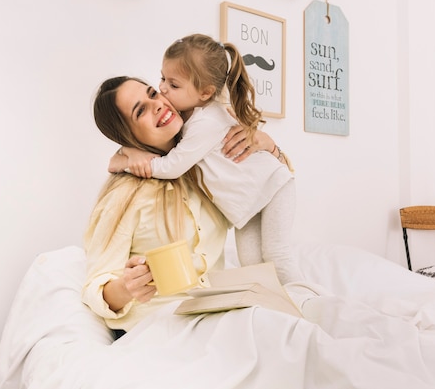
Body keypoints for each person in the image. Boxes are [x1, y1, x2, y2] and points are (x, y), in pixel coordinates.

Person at [82, 75, 284, 331]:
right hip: (159, 327)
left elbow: (272, 188)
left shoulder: (207, 169)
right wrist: (126, 286)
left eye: (153, 94)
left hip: (214, 315)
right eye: (140, 111)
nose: (156, 104)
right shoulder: (124, 196)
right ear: (127, 134)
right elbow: (95, 286)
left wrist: (269, 145)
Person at [108, 34, 303, 284]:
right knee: (252, 264)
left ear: (205, 92)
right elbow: (140, 139)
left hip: (273, 187)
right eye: (162, 78)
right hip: (249, 202)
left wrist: (127, 163)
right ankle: (275, 309)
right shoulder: (186, 117)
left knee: (277, 255)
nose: (163, 89)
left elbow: (171, 166)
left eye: (174, 85)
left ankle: (307, 304)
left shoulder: (207, 121)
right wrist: (127, 151)